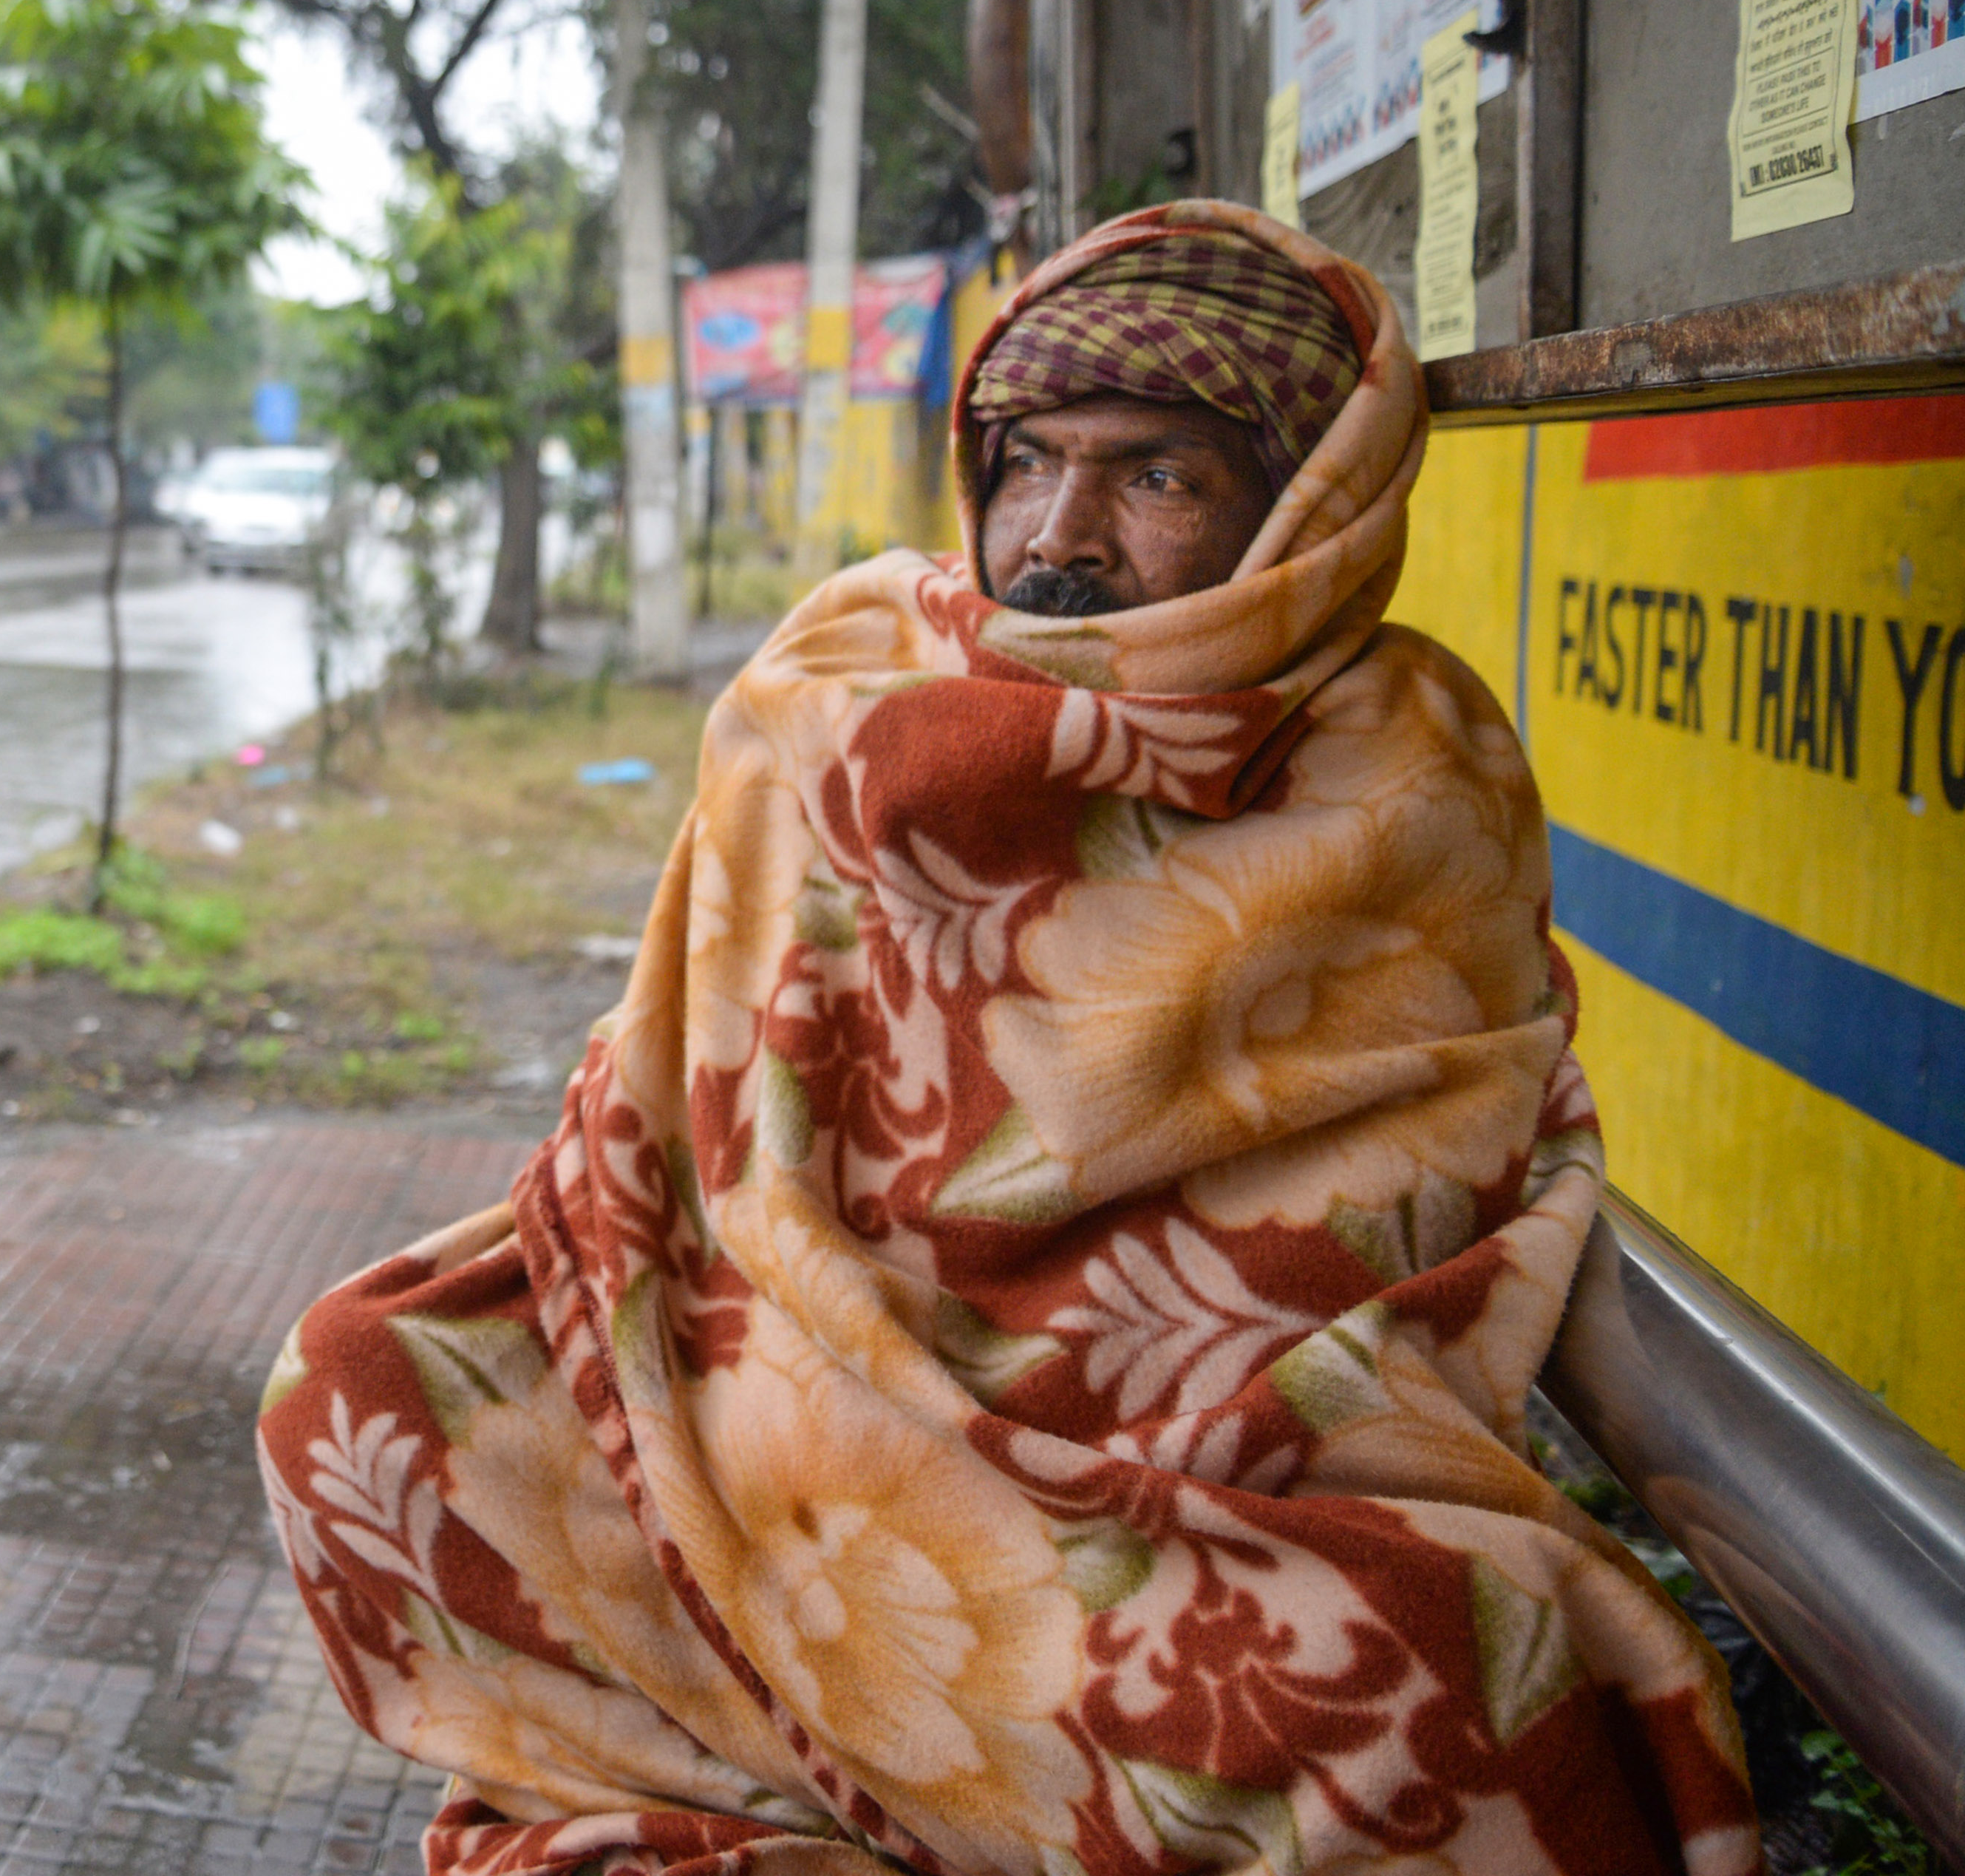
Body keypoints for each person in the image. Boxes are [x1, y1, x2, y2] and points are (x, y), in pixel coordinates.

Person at [256, 203, 1757, 1876]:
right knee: (350, 1387)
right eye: (1024, 460)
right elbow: (659, 1117)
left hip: (1170, 1462)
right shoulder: (832, 677)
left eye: (1157, 477)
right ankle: (808, 1771)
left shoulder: (1406, 766)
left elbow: (1375, 1210)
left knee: (1449, 1691)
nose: (1061, 534)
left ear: (1313, 500)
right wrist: (737, 1339)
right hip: (755, 1369)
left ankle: (857, 1760)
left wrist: (990, 1428)